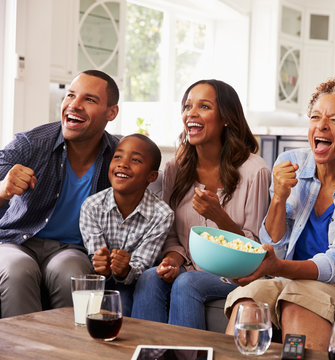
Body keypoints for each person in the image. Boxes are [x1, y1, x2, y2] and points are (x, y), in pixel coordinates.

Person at [224, 75, 335, 351]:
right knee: (249, 296)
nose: (322, 126)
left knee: (299, 297)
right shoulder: (290, 162)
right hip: (288, 276)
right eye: (315, 117)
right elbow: (276, 248)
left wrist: (275, 268)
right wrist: (279, 197)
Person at [131, 79, 271, 330]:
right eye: (187, 106)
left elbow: (255, 250)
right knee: (150, 278)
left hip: (237, 274)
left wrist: (219, 216)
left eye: (204, 106)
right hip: (188, 267)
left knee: (188, 283)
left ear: (226, 118)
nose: (191, 114)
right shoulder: (176, 167)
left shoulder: (254, 171)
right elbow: (171, 233)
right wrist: (173, 259)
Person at [0, 70, 120, 317]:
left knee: (74, 274)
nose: (74, 105)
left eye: (89, 100)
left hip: (72, 249)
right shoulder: (31, 143)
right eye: (70, 96)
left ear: (111, 112)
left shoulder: (118, 156)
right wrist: (3, 189)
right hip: (16, 240)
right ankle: (25, 354)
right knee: (17, 270)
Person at [79, 134, 174, 316]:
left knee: (123, 300)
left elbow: (142, 264)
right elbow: (96, 256)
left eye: (136, 160)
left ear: (152, 176)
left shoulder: (163, 215)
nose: (123, 164)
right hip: (103, 282)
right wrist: (102, 265)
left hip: (137, 283)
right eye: (117, 157)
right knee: (107, 302)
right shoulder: (92, 206)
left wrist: (126, 270)